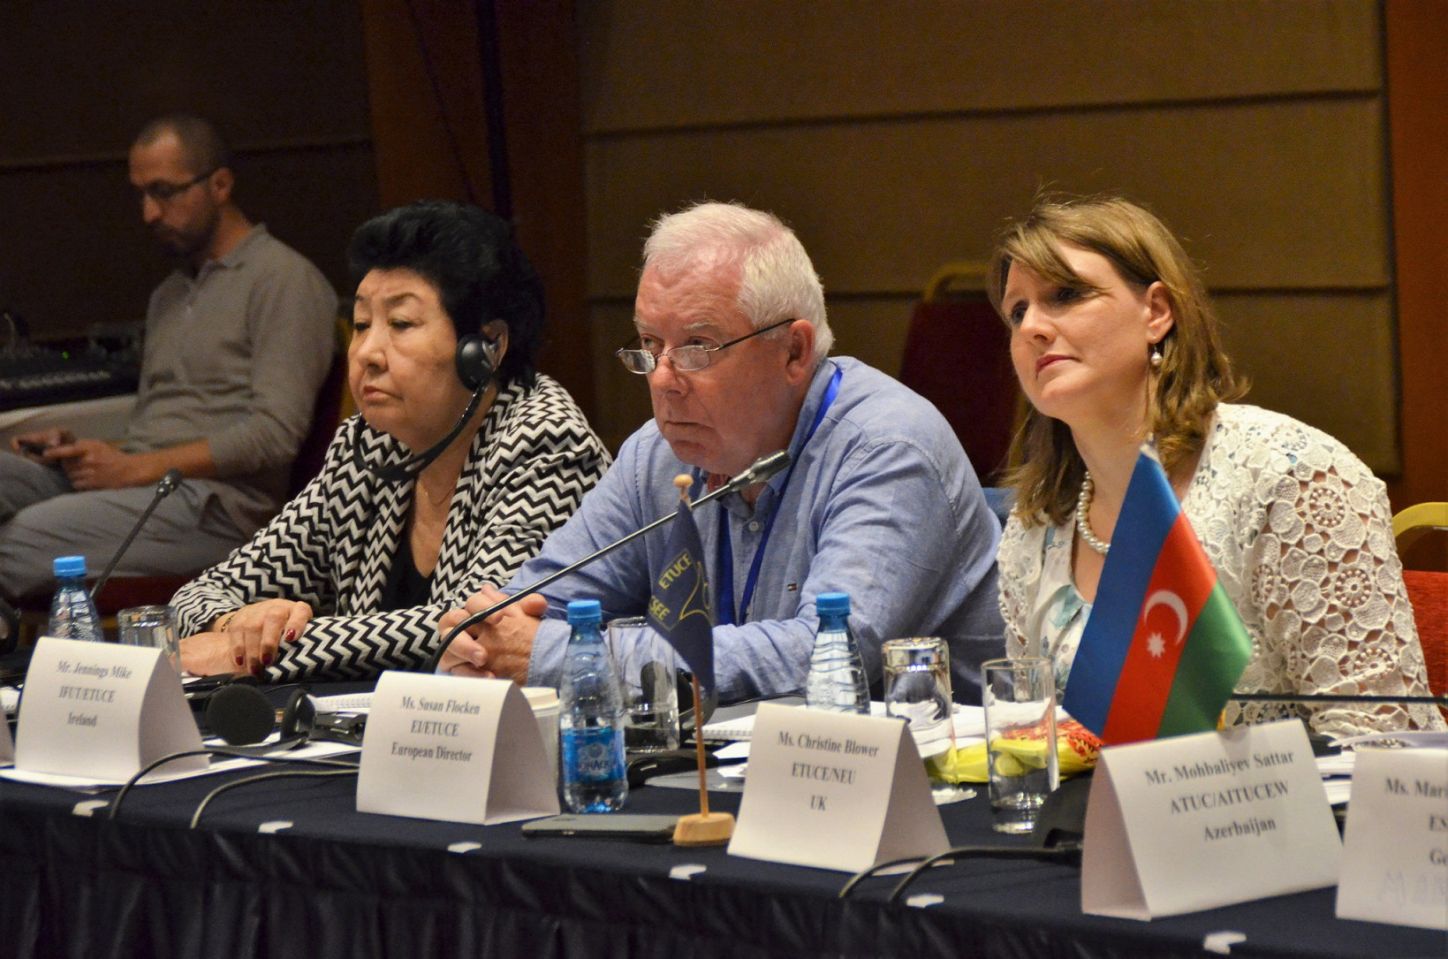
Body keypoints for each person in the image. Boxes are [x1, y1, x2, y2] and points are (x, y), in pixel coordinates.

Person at [438, 201, 1003, 704]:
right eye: (650, 344)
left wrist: (563, 657)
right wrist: (480, 638)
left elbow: (825, 652)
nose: (662, 380)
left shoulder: (888, 448)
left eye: (697, 347)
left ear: (794, 351)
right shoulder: (656, 456)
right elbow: (534, 609)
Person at [990, 193, 1443, 738]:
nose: (1032, 328)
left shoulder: (1289, 478)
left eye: (1066, 295)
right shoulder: (1036, 526)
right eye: (1017, 312)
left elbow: (1380, 735)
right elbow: (1034, 743)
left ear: (1157, 312)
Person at [172, 200, 610, 680]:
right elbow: (198, 597)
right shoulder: (369, 445)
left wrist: (260, 650)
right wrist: (236, 626)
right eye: (361, 325)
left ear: (487, 347)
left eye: (400, 324)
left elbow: (479, 630)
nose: (367, 353)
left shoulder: (545, 440)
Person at [0, 115, 337, 600]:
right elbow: (161, 427)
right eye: (141, 194)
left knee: (14, 543)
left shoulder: (284, 280)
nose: (149, 213)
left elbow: (275, 434)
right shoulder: (169, 294)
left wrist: (135, 468)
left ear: (220, 185)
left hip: (216, 507)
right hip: (142, 487)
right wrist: (86, 449)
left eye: (163, 192)